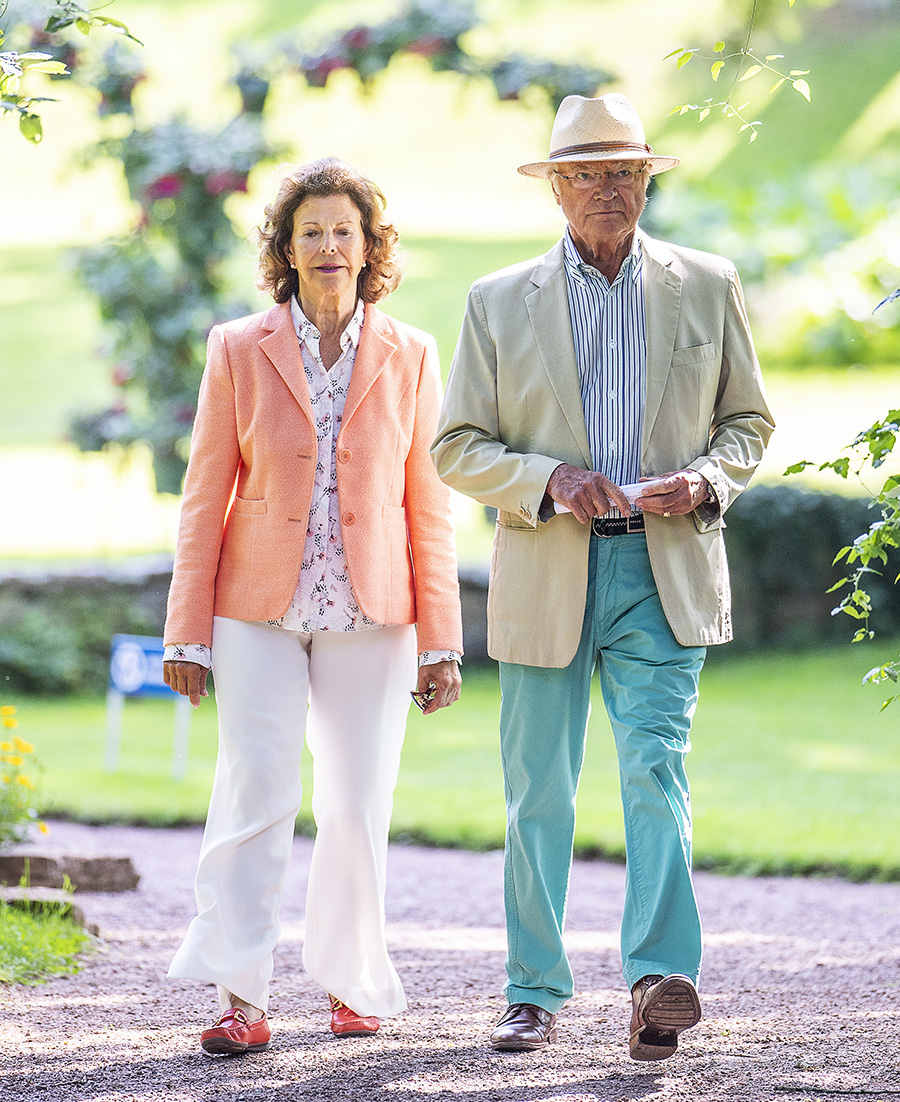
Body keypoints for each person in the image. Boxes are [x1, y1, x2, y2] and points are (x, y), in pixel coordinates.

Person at [432, 93, 774, 1061]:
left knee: (655, 773)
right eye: (584, 173)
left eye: (623, 170)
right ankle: (532, 990)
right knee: (538, 788)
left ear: (648, 179)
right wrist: (548, 480)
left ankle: (660, 980)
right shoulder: (498, 302)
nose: (606, 189)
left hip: (664, 569)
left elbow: (749, 425)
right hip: (546, 566)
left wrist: (705, 478)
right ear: (556, 189)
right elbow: (454, 446)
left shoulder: (708, 285)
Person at [162, 157, 463, 1055]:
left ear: (371, 247)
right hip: (254, 607)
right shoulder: (236, 346)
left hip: (375, 611)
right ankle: (240, 997)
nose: (330, 247)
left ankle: (352, 983)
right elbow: (203, 493)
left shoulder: (411, 353)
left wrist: (440, 642)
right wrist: (188, 632)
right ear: (285, 250)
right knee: (254, 792)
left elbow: (430, 506)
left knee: (358, 801)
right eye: (311, 232)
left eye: (345, 231)